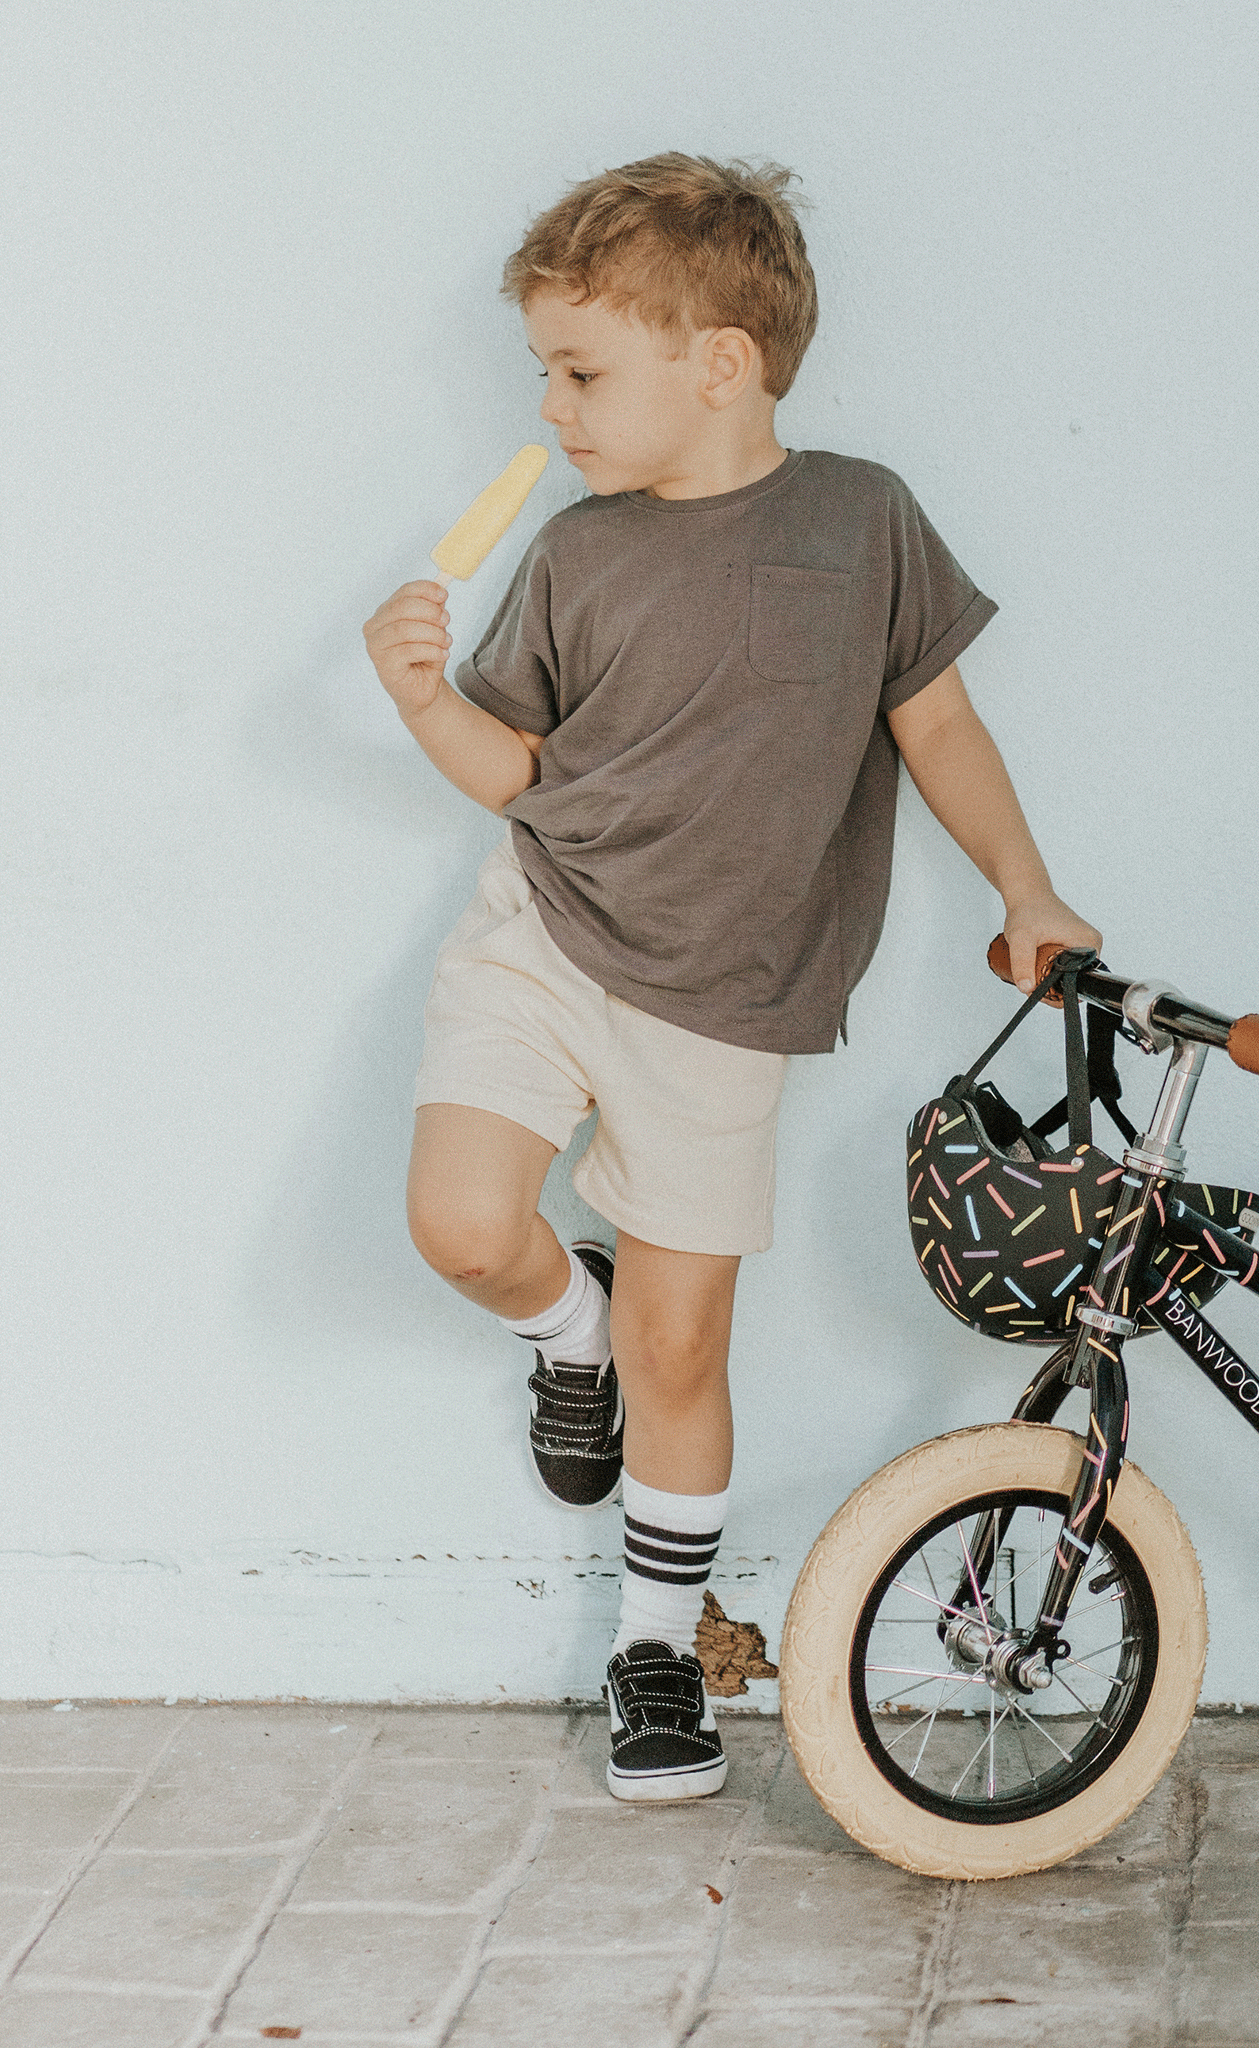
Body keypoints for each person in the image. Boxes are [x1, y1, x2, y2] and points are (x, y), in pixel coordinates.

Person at [360, 153, 1096, 1802]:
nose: (549, 407)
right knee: (465, 1227)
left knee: (688, 1359)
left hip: (724, 1006)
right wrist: (422, 702)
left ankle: (654, 1647)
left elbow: (944, 725)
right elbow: (522, 768)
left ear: (720, 364)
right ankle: (570, 1334)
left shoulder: (863, 521)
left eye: (579, 369)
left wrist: (1028, 887)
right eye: (543, 371)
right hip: (545, 933)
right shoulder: (574, 551)